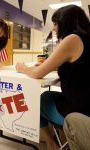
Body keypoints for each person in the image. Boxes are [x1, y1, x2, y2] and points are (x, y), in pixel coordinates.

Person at [15, 5, 90, 150]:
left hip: (80, 112)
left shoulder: (72, 39)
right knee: (47, 95)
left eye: (56, 23)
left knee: (34, 102)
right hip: (86, 104)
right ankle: (62, 137)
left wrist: (22, 68)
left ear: (67, 22)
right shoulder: (86, 39)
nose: (54, 28)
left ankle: (51, 143)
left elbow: (37, 74)